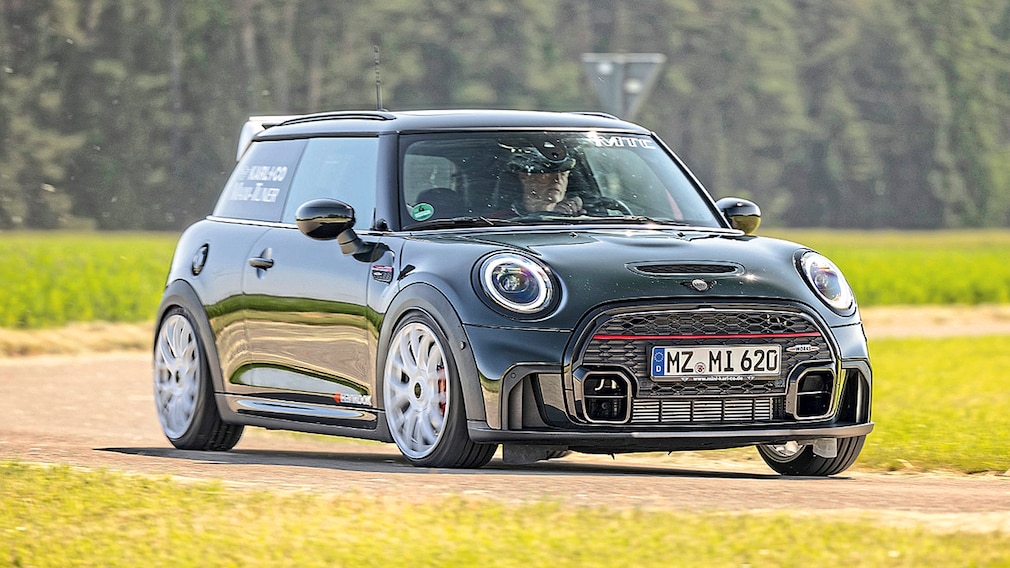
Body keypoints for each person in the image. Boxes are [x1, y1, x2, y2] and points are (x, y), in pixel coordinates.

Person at [505, 144, 586, 215]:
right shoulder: (502, 221)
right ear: (524, 177)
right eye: (549, 174)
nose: (557, 180)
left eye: (563, 175)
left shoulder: (582, 220)